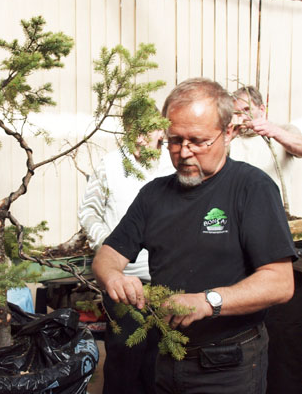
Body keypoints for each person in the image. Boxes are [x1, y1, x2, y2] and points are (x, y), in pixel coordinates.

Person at [92, 77, 296, 393]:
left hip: (228, 364)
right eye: (175, 140)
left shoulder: (252, 189)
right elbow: (108, 255)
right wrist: (113, 277)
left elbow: (280, 283)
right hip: (165, 356)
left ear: (228, 132)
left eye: (198, 141)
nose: (184, 152)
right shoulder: (153, 195)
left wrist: (208, 301)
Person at [78, 128, 174, 394]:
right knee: (124, 361)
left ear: (160, 130)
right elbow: (88, 212)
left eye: (146, 131)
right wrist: (111, 245)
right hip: (123, 282)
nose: (139, 139)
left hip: (167, 283)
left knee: (160, 363)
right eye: (134, 132)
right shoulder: (110, 164)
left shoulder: (174, 163)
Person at [231, 85, 302, 213]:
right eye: (237, 113)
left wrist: (275, 132)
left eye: (247, 110)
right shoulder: (230, 139)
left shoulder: (283, 130)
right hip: (241, 213)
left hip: (276, 214)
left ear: (262, 110)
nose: (243, 117)